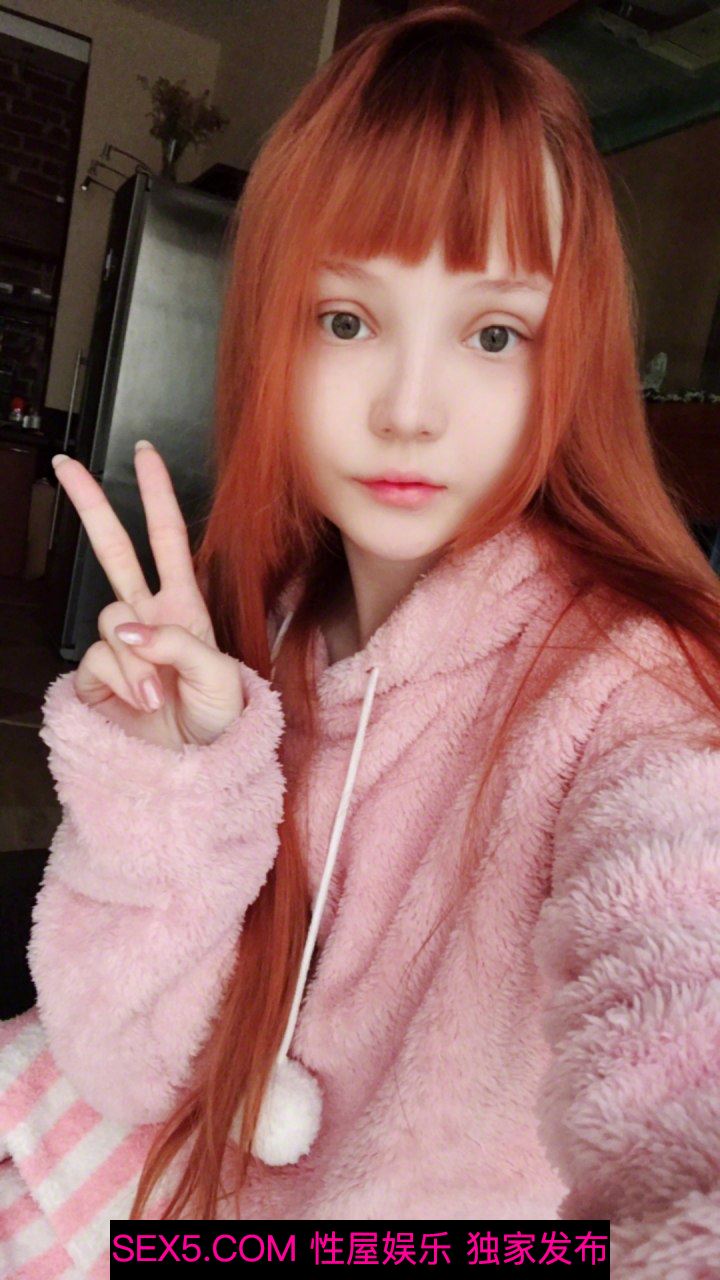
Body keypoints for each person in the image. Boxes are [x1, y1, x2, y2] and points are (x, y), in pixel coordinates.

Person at [11, 1, 720, 1265]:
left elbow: (682, 990)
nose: (410, 409)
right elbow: (123, 1061)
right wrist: (172, 783)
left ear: (568, 363)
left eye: (493, 333)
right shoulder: (262, 624)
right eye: (348, 319)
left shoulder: (626, 688)